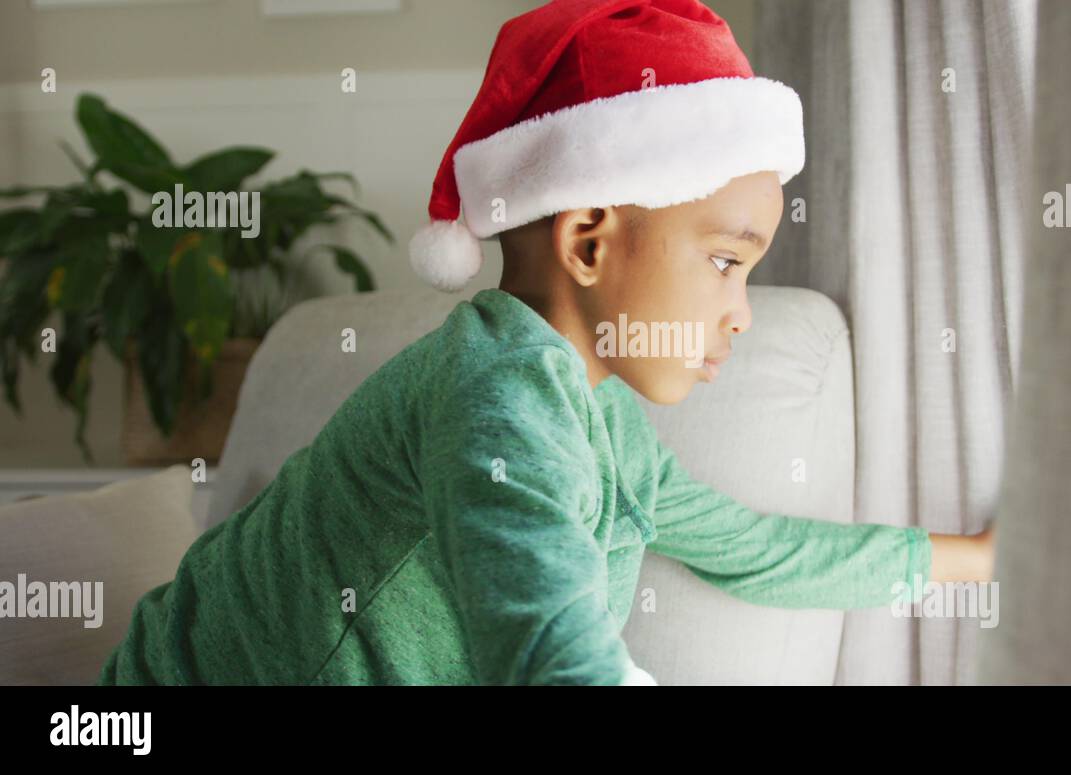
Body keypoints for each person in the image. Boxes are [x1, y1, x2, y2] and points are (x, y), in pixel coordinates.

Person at [96, 0, 993, 687]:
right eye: (725, 260)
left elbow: (756, 547)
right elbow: (544, 643)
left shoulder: (603, 418)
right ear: (588, 240)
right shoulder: (496, 393)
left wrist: (979, 560)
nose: (741, 312)